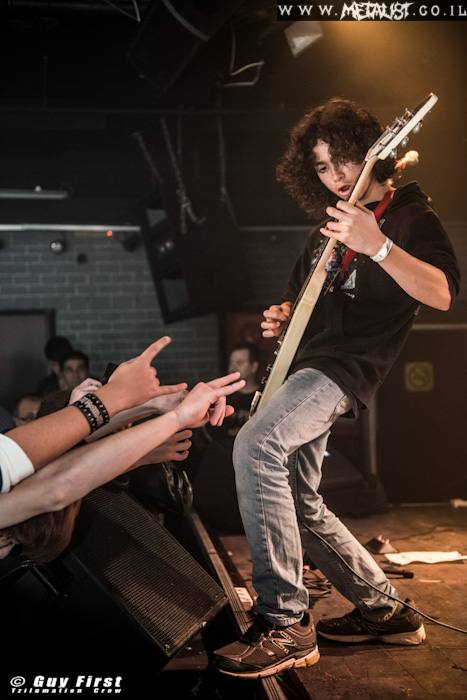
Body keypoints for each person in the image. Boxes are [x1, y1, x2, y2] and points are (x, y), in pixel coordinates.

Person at [214, 97, 460, 679]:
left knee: (256, 446)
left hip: (344, 368)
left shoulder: (409, 216)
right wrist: (281, 317)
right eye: (322, 167)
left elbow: (443, 293)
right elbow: (301, 306)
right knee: (299, 501)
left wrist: (379, 245)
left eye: (344, 159)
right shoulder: (326, 230)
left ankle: (284, 622)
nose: (336, 175)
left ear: (373, 152)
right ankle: (386, 611)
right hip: (306, 363)